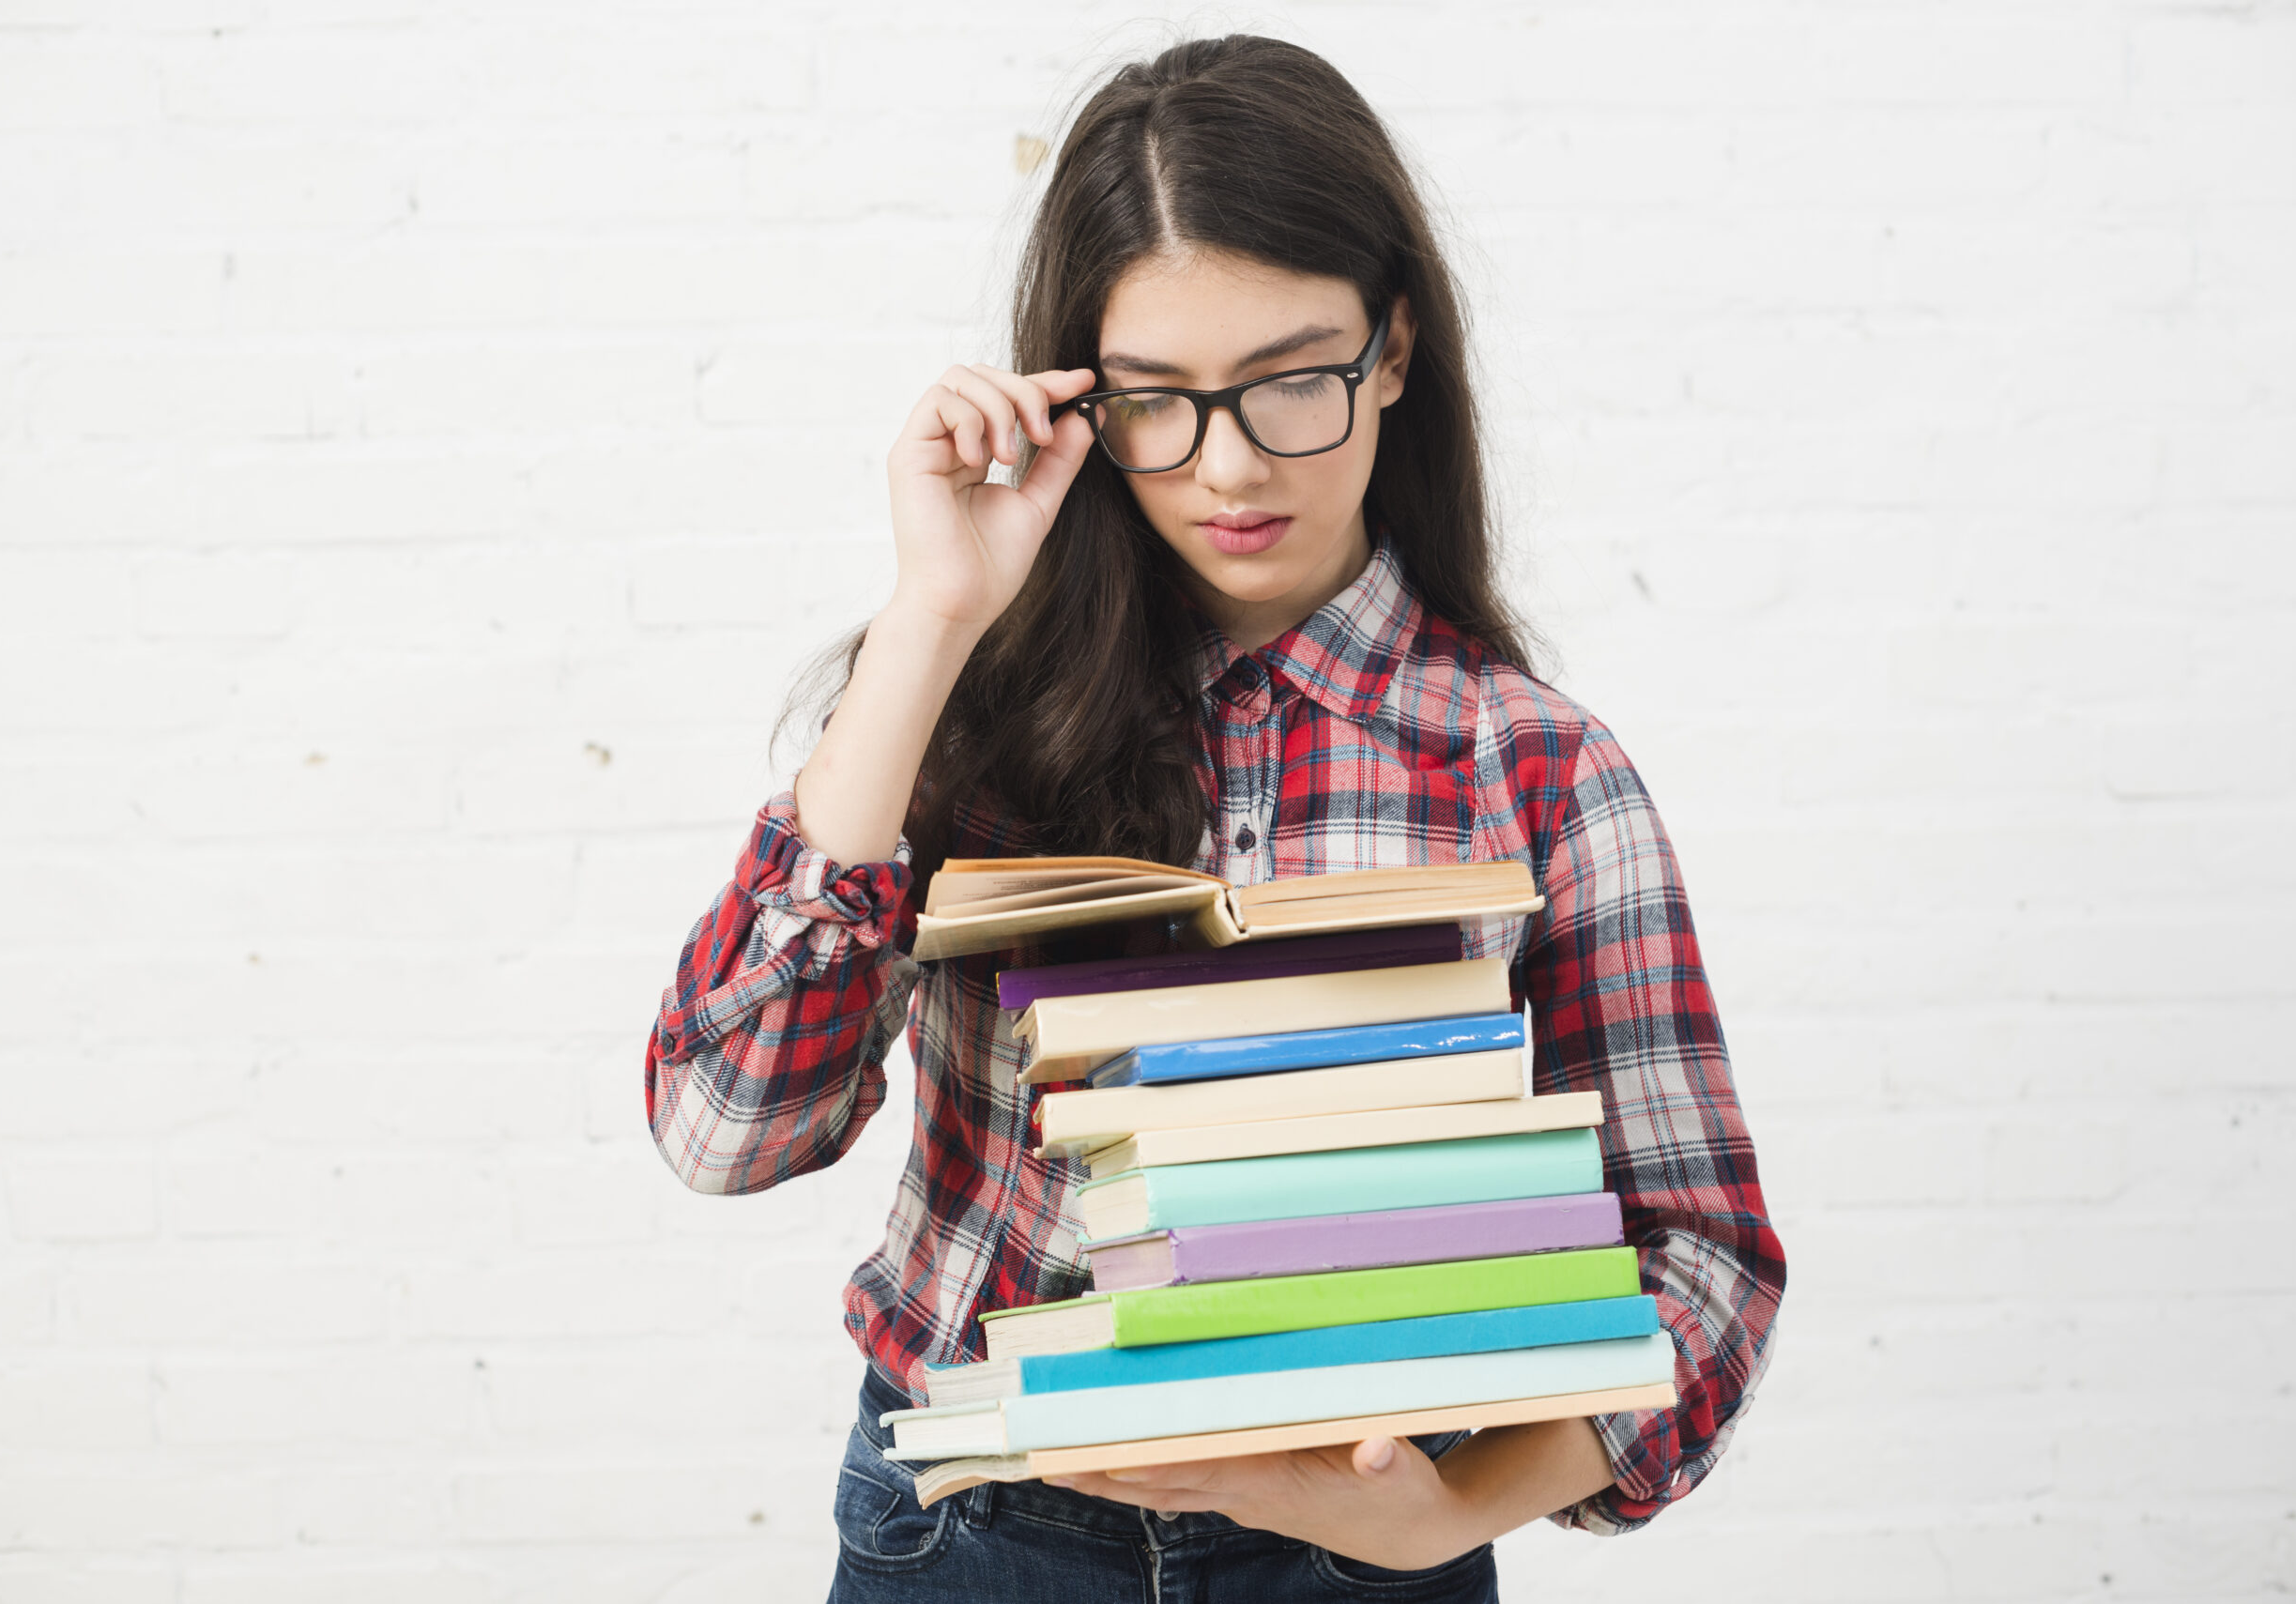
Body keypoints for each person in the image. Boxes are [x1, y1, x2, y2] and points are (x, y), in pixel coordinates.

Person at [646, 34, 1784, 1603]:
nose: (1229, 466)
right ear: (1077, 398)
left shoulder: (1531, 768)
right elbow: (724, 1124)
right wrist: (929, 621)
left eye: (1291, 382)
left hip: (1355, 1560)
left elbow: (1703, 1269)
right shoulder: (957, 718)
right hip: (970, 1542)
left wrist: (1441, 1520)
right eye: (1155, 403)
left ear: (1394, 351)